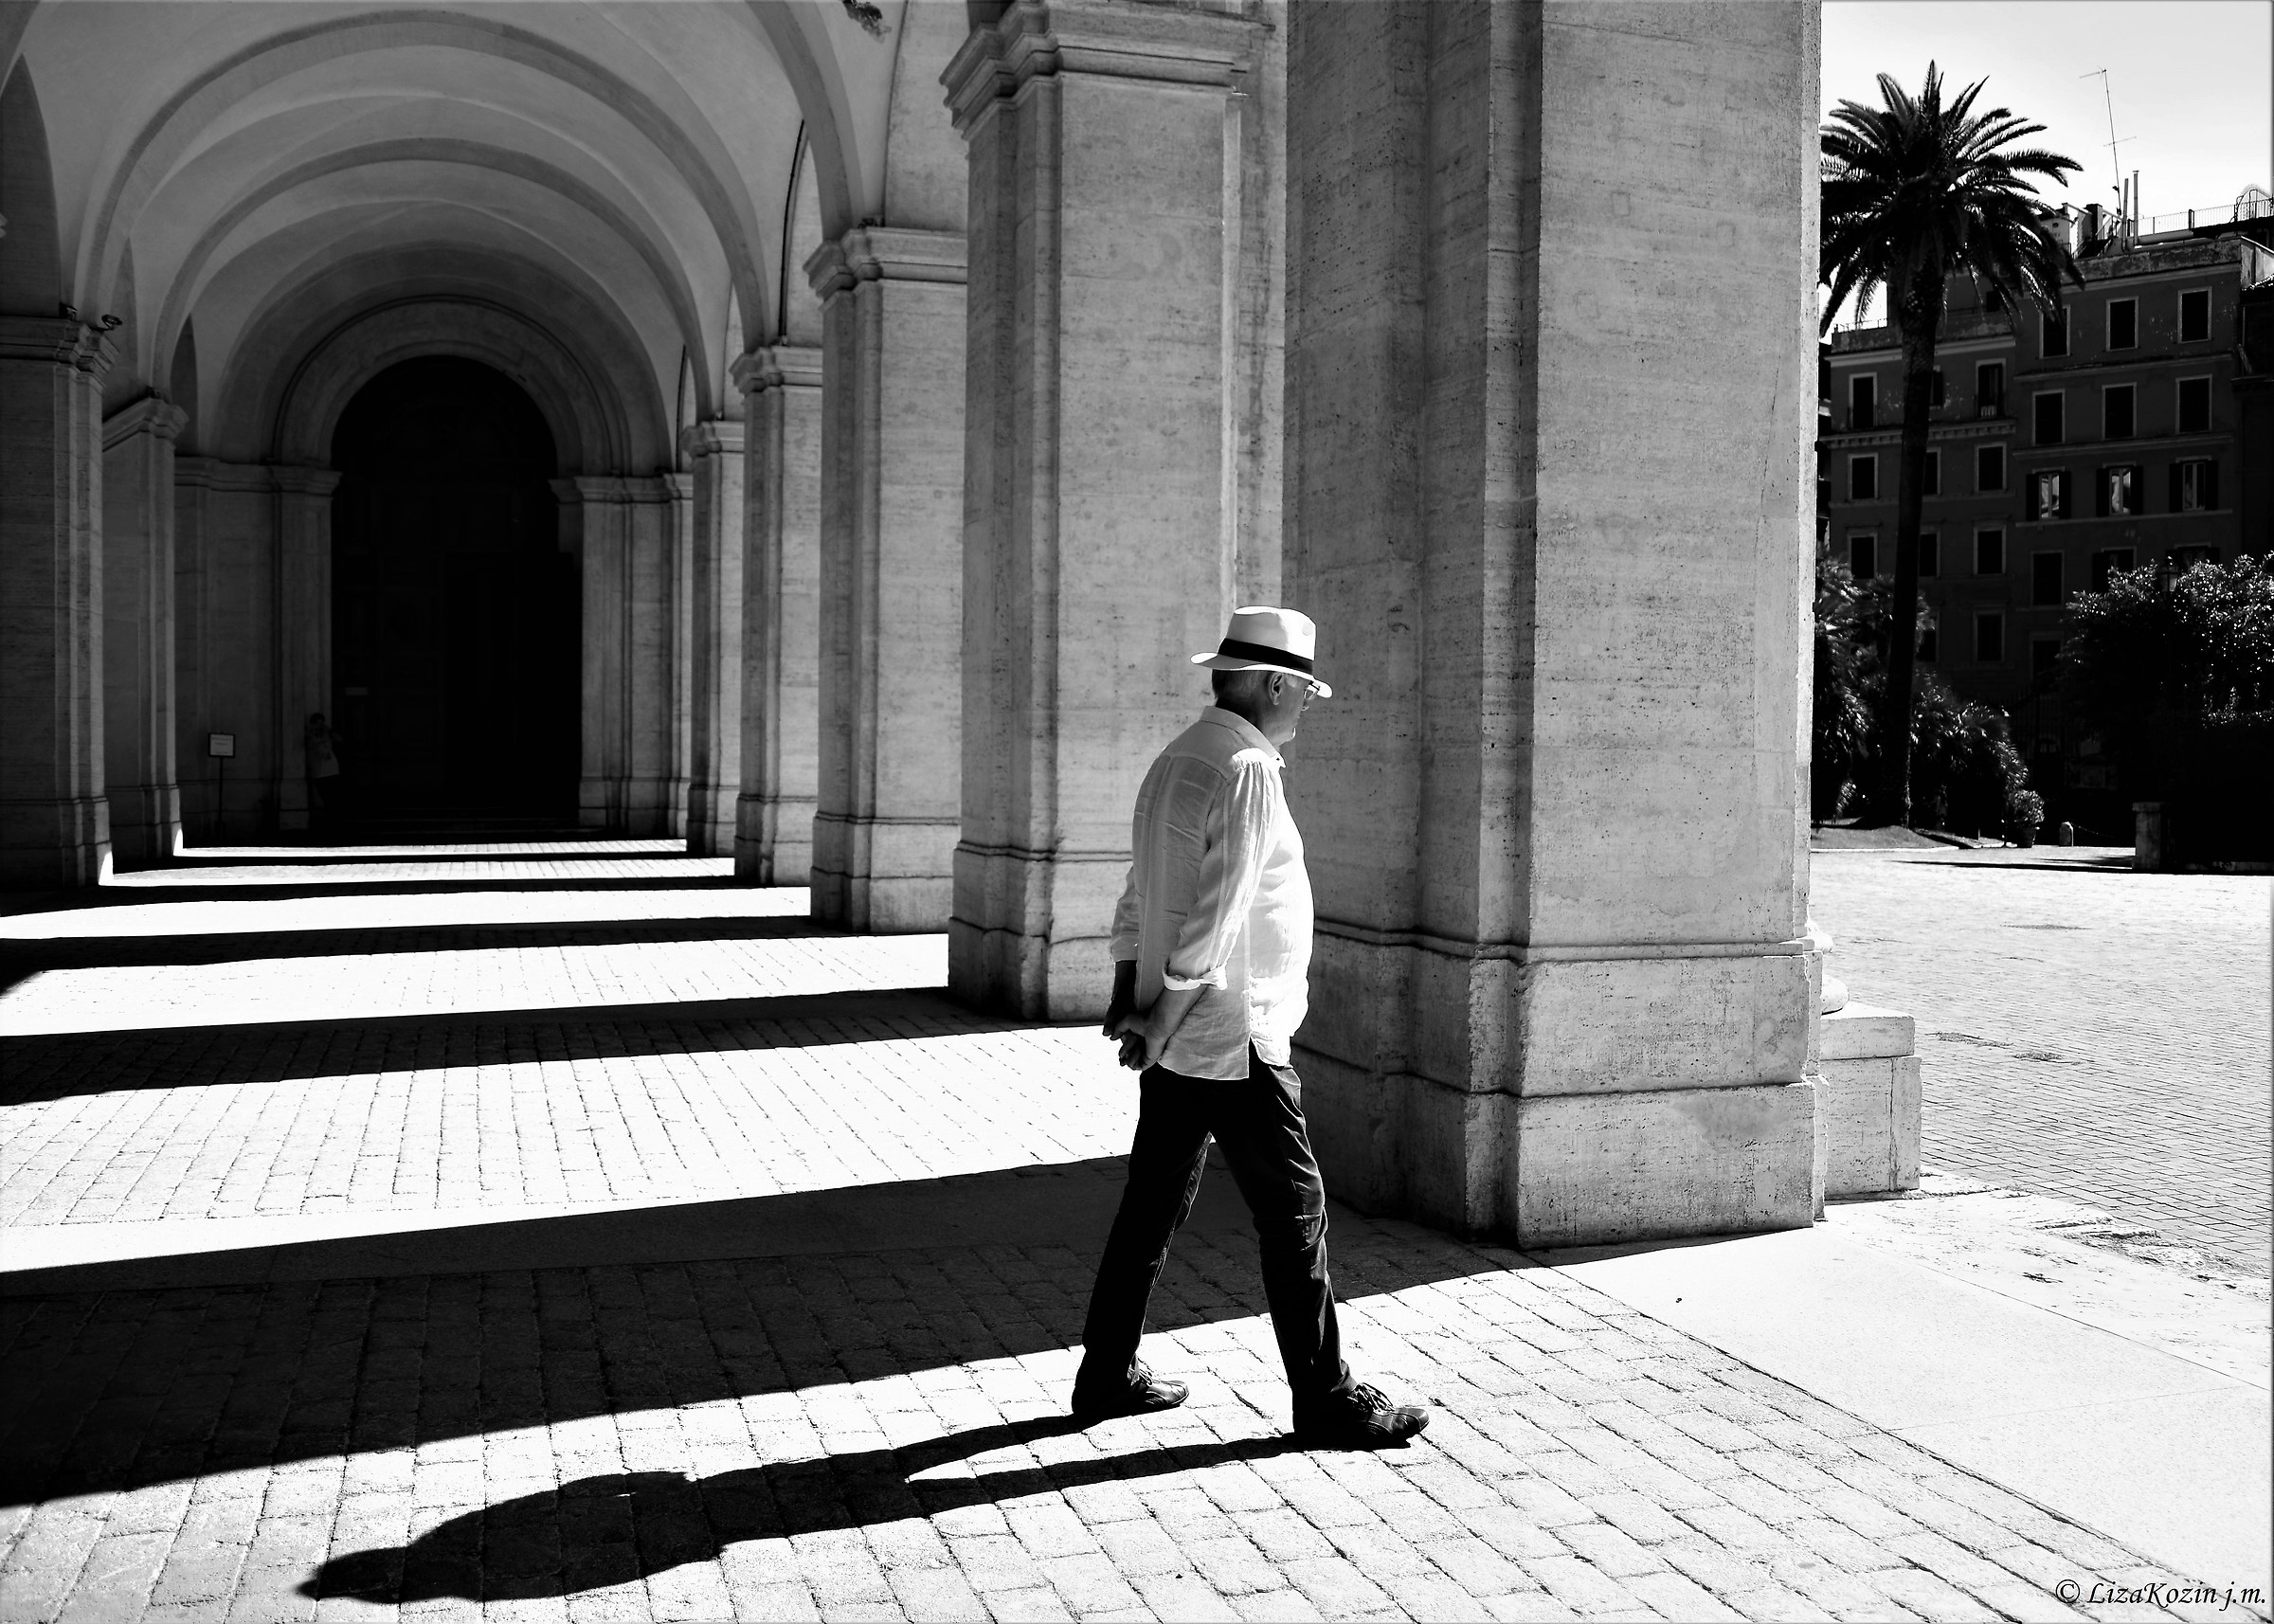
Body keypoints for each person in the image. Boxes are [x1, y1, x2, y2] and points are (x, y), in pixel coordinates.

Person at [1074, 605, 1430, 1450]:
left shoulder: (1179, 759)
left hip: (1187, 1026)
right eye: (1304, 690)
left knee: (1152, 1203)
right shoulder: (1245, 768)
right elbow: (1221, 914)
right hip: (1231, 1033)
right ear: (1274, 684)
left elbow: (1140, 893)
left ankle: (1106, 1371)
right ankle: (1328, 1395)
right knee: (1295, 1210)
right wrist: (1160, 1017)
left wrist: (1132, 991)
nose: (1307, 706)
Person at [304, 713, 345, 835]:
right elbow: (310, 745)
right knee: (322, 796)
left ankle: (333, 821)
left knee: (332, 796)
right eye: (318, 723)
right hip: (319, 769)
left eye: (322, 723)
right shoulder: (310, 735)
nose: (320, 726)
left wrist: (329, 732)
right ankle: (324, 822)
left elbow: (340, 739)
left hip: (330, 768)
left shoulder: (327, 732)